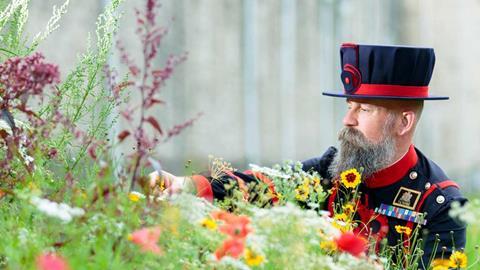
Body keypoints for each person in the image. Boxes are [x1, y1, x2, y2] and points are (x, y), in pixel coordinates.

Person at [153, 43, 467, 268]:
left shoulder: (440, 205)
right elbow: (264, 183)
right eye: (348, 106)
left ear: (404, 122)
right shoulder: (330, 171)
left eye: (364, 109)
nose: (348, 120)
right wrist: (186, 185)